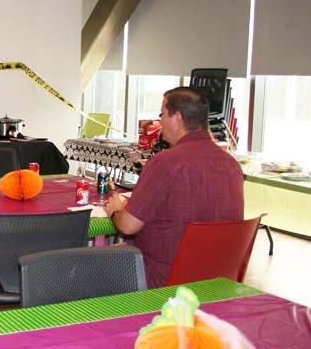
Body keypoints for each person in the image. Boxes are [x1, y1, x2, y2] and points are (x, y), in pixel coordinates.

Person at [104, 87, 244, 288]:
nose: (159, 121)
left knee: (84, 265)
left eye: (162, 114)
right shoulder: (231, 164)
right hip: (218, 281)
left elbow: (128, 226)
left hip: (163, 278)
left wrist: (116, 210)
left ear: (177, 118)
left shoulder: (166, 162)